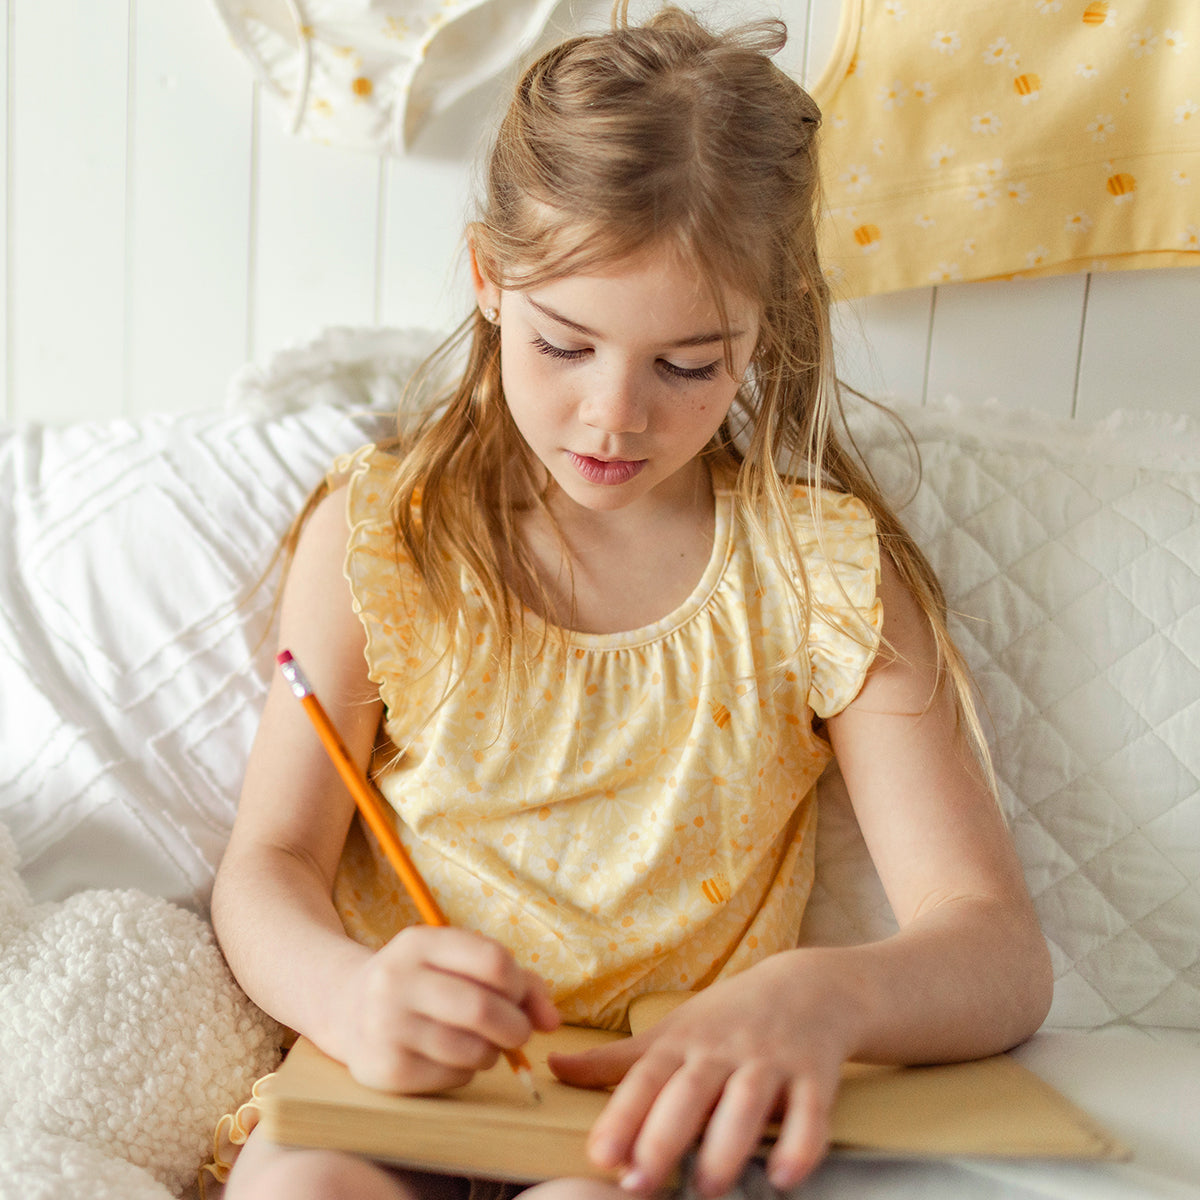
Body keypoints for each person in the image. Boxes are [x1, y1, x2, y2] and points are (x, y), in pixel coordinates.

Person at [209, 6, 1054, 1200]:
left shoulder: (820, 574)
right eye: (566, 346)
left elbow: (999, 949)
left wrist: (829, 995)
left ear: (766, 333)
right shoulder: (386, 535)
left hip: (642, 1130)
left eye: (688, 365)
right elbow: (269, 863)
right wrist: (351, 991)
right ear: (490, 282)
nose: (615, 417)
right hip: (385, 1086)